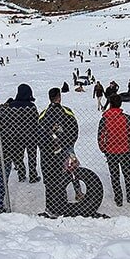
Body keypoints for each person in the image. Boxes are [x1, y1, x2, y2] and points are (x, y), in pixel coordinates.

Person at [39, 88, 82, 217]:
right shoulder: (67, 112)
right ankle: (74, 195)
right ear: (59, 97)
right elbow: (75, 129)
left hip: (47, 152)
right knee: (69, 172)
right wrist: (67, 144)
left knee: (50, 178)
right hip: (66, 148)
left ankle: (51, 205)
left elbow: (39, 133)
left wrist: (46, 147)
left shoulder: (43, 114)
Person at [97, 94, 130, 206]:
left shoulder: (104, 119)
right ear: (120, 104)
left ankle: (118, 198)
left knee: (114, 175)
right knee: (127, 173)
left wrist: (104, 149)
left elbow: (100, 136)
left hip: (110, 152)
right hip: (125, 151)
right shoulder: (127, 118)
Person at [5, 84, 41, 183]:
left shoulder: (11, 106)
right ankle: (33, 176)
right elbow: (36, 120)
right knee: (32, 157)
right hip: (31, 135)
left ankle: (21, 174)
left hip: (16, 136)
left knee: (18, 156)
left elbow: (7, 120)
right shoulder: (31, 106)